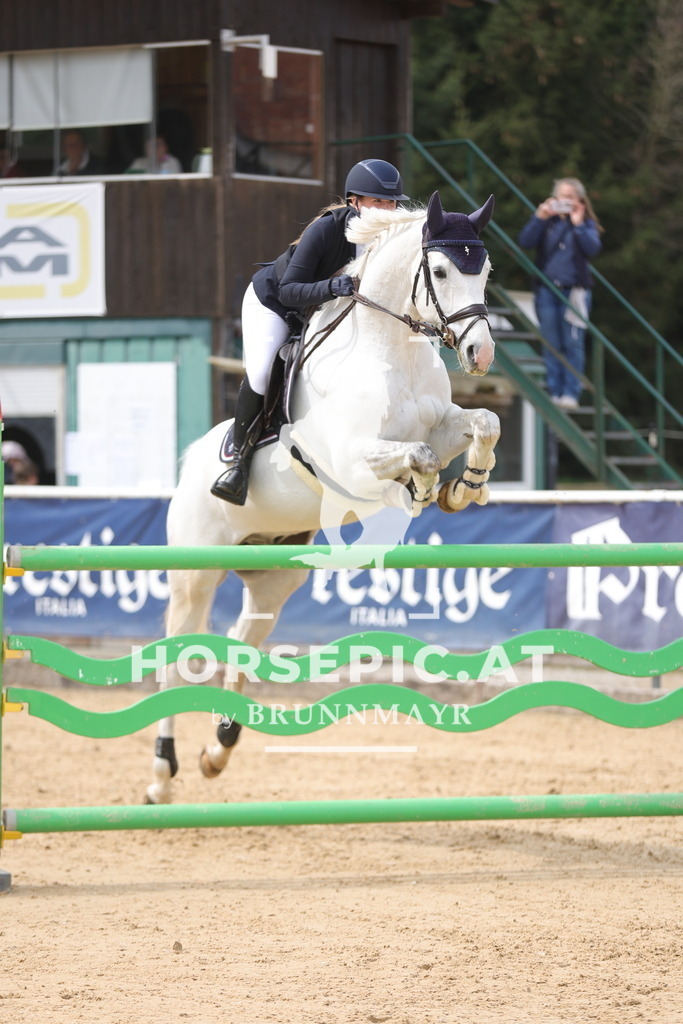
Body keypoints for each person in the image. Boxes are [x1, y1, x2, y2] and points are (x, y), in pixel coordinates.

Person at [211, 158, 409, 505]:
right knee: (261, 370)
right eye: (378, 202)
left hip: (321, 310)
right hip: (274, 303)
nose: (387, 210)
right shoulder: (327, 230)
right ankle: (238, 461)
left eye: (391, 203)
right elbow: (289, 290)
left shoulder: (393, 240)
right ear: (354, 202)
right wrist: (335, 286)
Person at [518, 177, 603, 409]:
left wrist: (577, 223)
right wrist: (539, 217)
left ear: (580, 200)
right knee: (551, 343)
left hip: (574, 292)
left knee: (572, 343)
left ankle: (570, 393)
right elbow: (525, 241)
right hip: (546, 290)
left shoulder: (585, 224)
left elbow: (592, 248)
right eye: (561, 196)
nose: (565, 201)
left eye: (570, 197)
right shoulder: (548, 221)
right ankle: (555, 391)